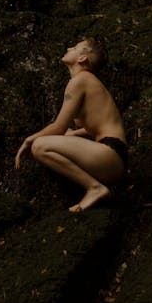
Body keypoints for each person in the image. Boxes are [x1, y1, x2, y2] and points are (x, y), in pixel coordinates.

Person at [15, 37, 127, 212]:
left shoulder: (81, 80)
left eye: (75, 47)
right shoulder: (86, 81)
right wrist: (75, 134)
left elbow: (58, 126)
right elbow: (101, 123)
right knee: (63, 135)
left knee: (39, 146)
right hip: (111, 158)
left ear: (82, 58)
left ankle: (95, 188)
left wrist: (28, 140)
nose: (68, 47)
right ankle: (95, 187)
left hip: (110, 154)